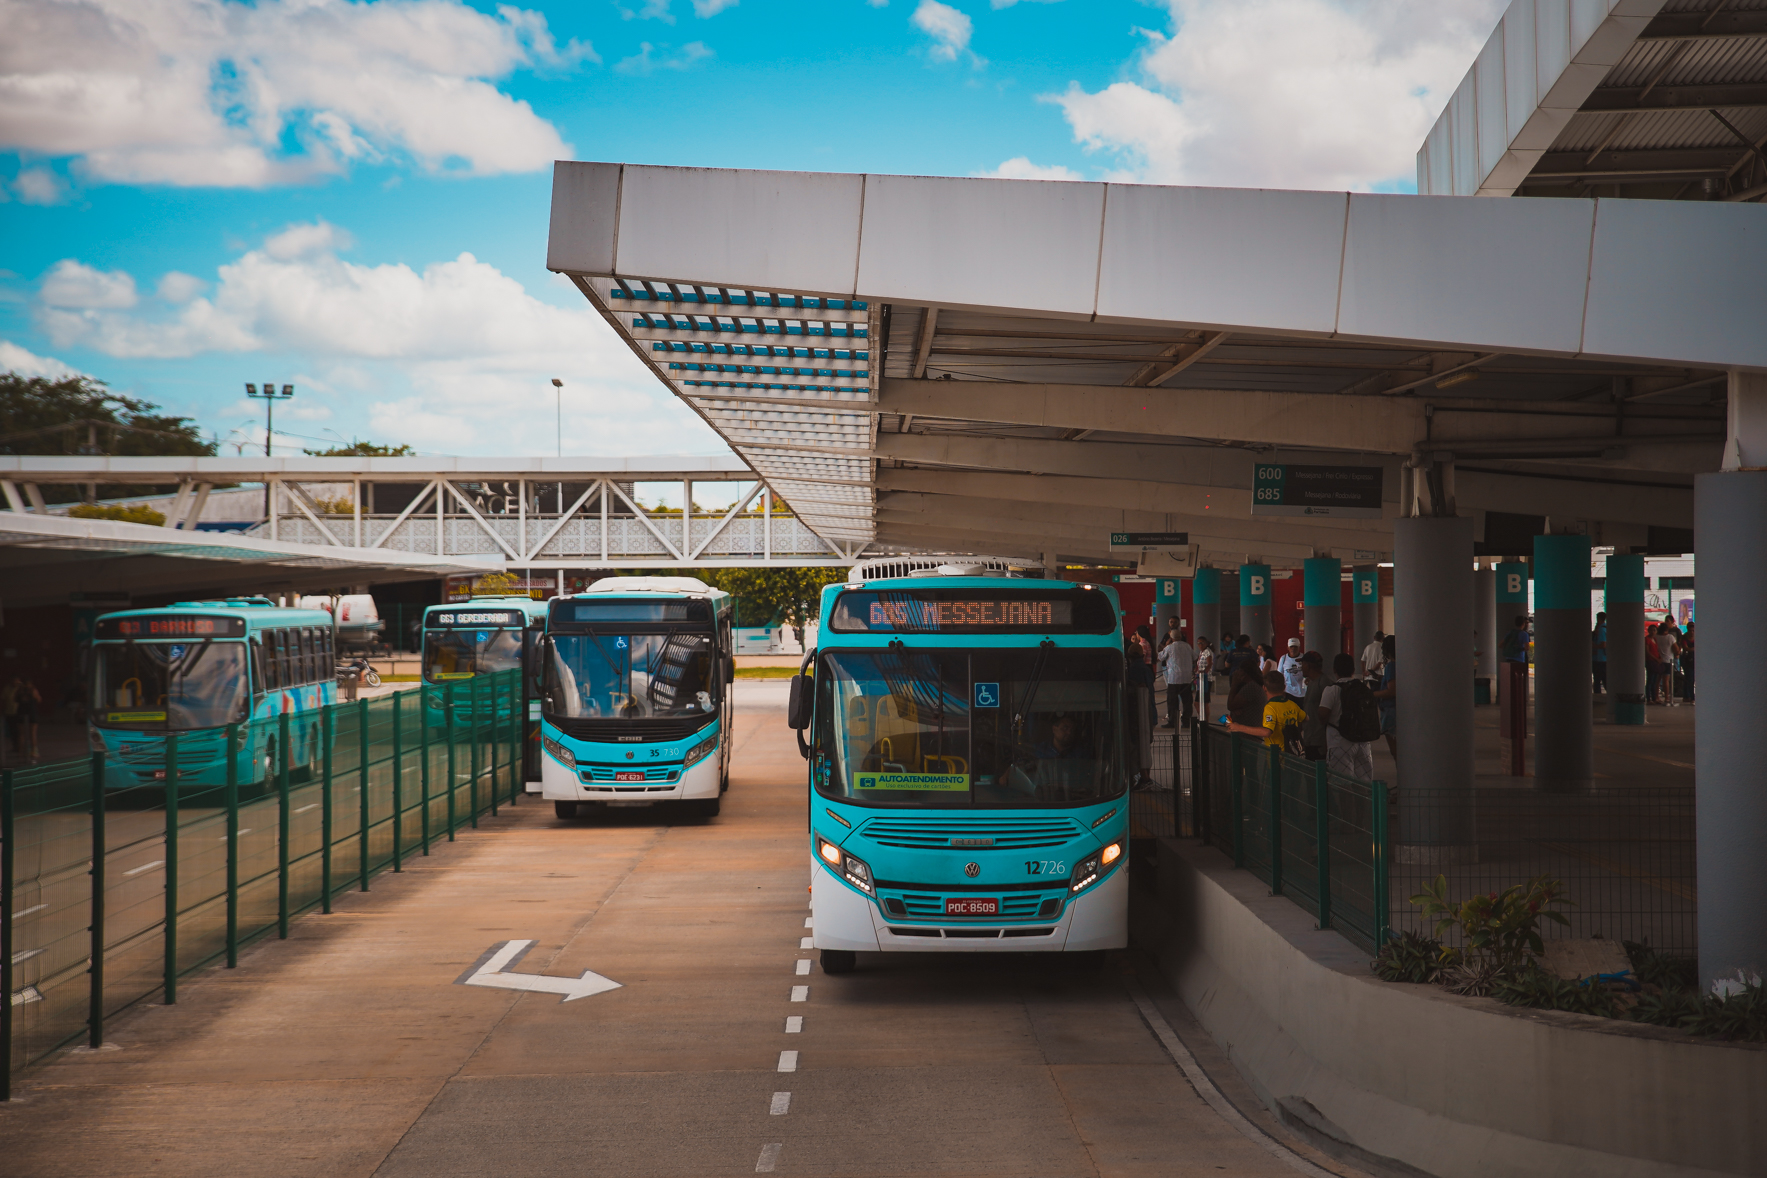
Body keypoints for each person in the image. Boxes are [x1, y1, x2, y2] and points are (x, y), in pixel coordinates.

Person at [1316, 652, 1378, 780]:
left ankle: (1347, 801)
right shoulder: (1363, 688)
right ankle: (1364, 801)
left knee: (1342, 785)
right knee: (1364, 785)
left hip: (1339, 741)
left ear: (1334, 670)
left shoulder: (1332, 690)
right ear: (1353, 670)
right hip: (1363, 742)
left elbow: (1323, 714)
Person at [1231, 670, 1306, 755]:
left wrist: (1238, 727)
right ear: (1284, 687)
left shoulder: (1270, 708)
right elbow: (1306, 718)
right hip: (1294, 753)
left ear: (1264, 688)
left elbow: (1266, 732)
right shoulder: (1292, 705)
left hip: (1278, 757)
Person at [1160, 624, 1196, 728]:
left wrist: (1166, 645)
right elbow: (1195, 657)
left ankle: (1172, 722)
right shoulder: (1187, 646)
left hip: (1173, 678)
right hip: (1186, 678)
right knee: (1187, 702)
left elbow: (1161, 657)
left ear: (1171, 638)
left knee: (1172, 702)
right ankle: (1185, 722)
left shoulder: (1170, 647)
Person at [4, 675, 42, 762]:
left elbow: (14, 700)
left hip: (21, 712)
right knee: (32, 733)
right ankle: (33, 750)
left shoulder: (19, 691)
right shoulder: (32, 690)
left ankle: (21, 751)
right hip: (31, 712)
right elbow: (39, 699)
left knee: (21, 734)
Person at [1372, 634, 1397, 762]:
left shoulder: (1391, 666)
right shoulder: (1400, 665)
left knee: (1395, 751)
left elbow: (1392, 691)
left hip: (1390, 710)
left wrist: (1373, 694)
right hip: (1395, 710)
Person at [1297, 652, 1327, 761]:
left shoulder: (1324, 684)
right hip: (1310, 738)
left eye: (1302, 664)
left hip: (1319, 741)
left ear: (1308, 665)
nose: (1301, 668)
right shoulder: (1312, 683)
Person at [1656, 622, 1679, 708]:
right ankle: (1667, 698)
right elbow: (1676, 649)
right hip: (1668, 660)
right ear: (1667, 629)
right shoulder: (1670, 637)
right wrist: (1678, 652)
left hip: (1658, 661)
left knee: (1657, 680)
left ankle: (1656, 697)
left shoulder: (1656, 637)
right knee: (1666, 680)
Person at [1194, 637, 1215, 714]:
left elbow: (1209, 664)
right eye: (1198, 643)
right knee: (1199, 702)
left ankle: (1205, 720)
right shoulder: (1201, 652)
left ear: (1206, 643)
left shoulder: (1207, 652)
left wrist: (1204, 671)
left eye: (1202, 643)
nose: (1200, 645)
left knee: (1203, 702)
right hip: (1200, 679)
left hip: (1206, 679)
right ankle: (1202, 719)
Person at [1645, 624, 1662, 705]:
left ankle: (1654, 698)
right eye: (1651, 630)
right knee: (1650, 680)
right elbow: (1647, 652)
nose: (1653, 632)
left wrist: (1659, 658)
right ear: (1648, 631)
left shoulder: (1655, 639)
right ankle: (1648, 698)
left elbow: (1656, 650)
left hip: (1656, 661)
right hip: (1650, 661)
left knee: (1655, 680)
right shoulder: (1647, 639)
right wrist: (1656, 659)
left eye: (1654, 630)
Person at [1679, 622, 1696, 703]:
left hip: (1695, 660)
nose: (1692, 632)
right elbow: (1685, 648)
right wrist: (1693, 648)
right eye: (1690, 630)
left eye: (1693, 630)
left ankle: (1687, 695)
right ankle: (1691, 697)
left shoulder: (1697, 637)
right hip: (1687, 660)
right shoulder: (1684, 637)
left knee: (1690, 678)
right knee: (1689, 678)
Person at [1592, 611, 1608, 695]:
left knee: (1598, 678)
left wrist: (1593, 646)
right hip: (1604, 658)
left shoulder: (1601, 630)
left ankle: (1597, 695)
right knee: (1604, 677)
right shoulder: (1605, 628)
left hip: (1599, 658)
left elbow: (1603, 644)